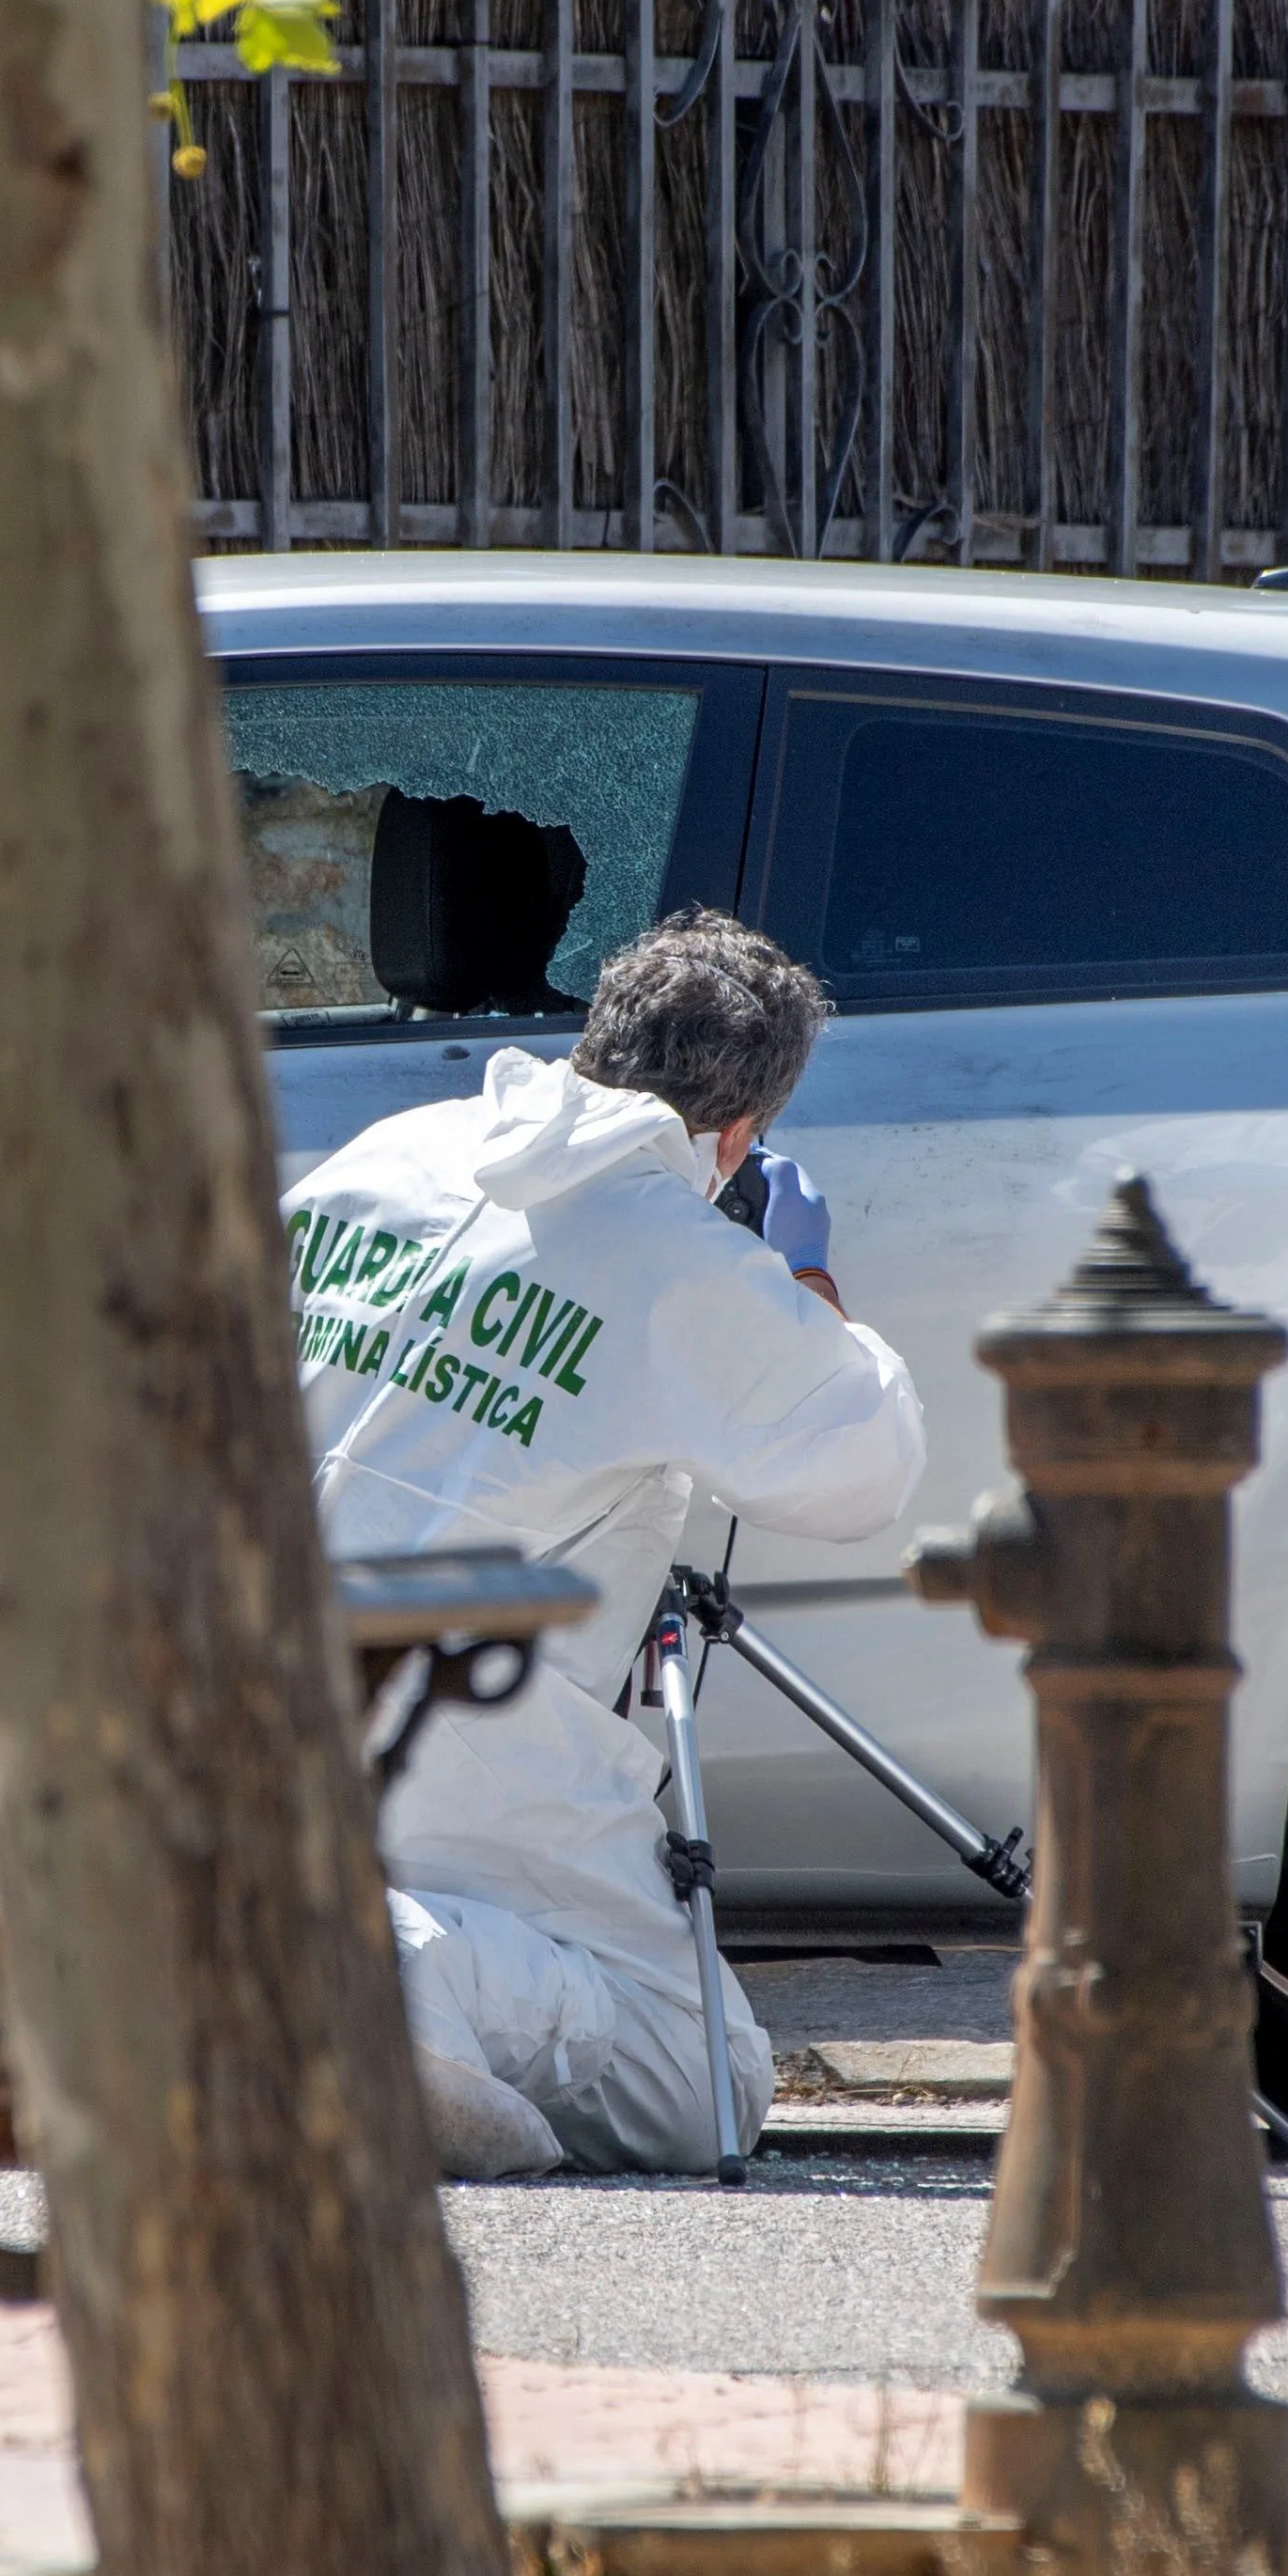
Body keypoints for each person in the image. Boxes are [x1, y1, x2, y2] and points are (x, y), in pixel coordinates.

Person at [284, 912, 925, 2177]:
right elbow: (866, 1468)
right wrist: (797, 1282)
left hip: (232, 1697)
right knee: (708, 2087)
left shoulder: (391, 1152)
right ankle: (381, 1965)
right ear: (740, 1136)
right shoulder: (679, 1256)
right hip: (467, 1744)